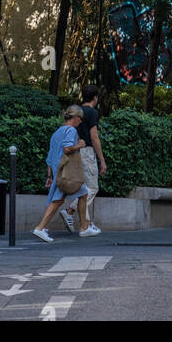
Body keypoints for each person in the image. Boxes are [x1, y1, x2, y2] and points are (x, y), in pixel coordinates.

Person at [33, 105, 101, 241]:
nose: (81, 121)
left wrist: (49, 176)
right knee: (57, 201)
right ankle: (40, 228)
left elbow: (50, 156)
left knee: (83, 193)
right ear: (75, 117)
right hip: (66, 173)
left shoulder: (57, 132)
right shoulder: (71, 130)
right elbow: (67, 148)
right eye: (80, 118)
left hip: (59, 172)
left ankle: (84, 228)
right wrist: (80, 145)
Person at [62, 84, 108, 233]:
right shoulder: (92, 112)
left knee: (84, 187)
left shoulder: (77, 111)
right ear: (95, 97)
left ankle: (86, 224)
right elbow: (94, 137)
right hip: (86, 151)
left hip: (74, 151)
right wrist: (102, 159)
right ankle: (70, 211)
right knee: (92, 187)